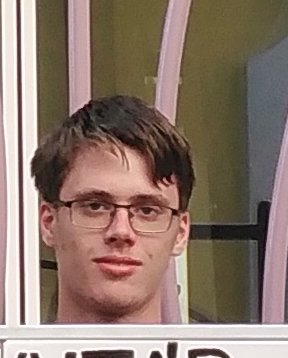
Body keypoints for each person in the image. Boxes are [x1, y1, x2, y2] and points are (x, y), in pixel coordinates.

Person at [31, 92, 195, 326]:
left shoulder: (241, 351)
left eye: (147, 210)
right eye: (95, 206)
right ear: (48, 222)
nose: (121, 232)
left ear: (181, 233)